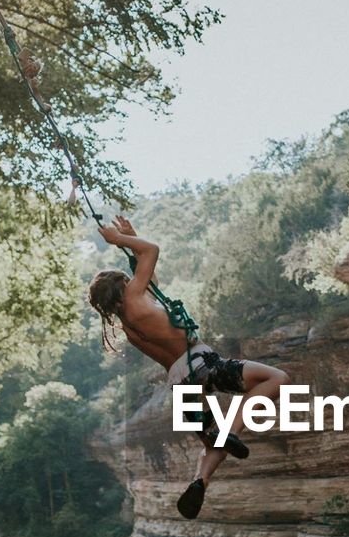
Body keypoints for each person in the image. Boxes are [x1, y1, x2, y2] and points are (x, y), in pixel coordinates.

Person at [88, 216, 290, 520]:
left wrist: (131, 237)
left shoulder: (130, 326)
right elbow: (152, 251)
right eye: (128, 282)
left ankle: (200, 481)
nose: (134, 283)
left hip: (181, 385)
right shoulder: (134, 296)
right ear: (123, 289)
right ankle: (232, 432)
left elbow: (150, 278)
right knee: (278, 379)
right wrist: (119, 240)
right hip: (202, 364)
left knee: (212, 444)